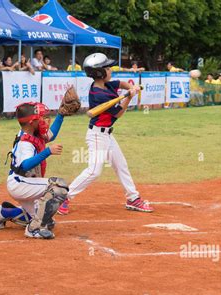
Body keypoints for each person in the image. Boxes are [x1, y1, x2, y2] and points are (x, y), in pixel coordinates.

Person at [58, 53, 153, 215]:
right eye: (107, 68)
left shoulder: (107, 85)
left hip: (107, 135)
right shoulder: (99, 94)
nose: (111, 70)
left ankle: (133, 198)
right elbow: (118, 114)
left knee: (121, 165)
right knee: (94, 171)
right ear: (99, 73)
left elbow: (121, 83)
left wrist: (130, 88)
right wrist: (129, 98)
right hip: (97, 136)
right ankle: (64, 197)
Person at [0, 88, 81, 239]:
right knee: (58, 187)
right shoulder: (26, 142)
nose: (44, 120)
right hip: (21, 184)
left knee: (48, 221)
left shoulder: (33, 132)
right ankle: (33, 229)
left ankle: (1, 213)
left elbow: (50, 135)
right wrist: (47, 152)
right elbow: (25, 165)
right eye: (40, 118)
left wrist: (61, 115)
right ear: (32, 122)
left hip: (26, 183)